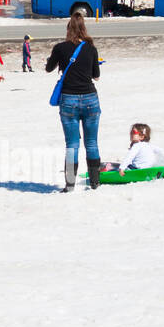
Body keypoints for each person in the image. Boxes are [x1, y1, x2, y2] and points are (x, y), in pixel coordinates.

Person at [46, 11, 103, 192]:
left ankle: (70, 185)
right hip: (90, 99)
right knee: (92, 143)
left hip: (69, 100)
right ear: (84, 28)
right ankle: (95, 182)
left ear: (68, 29)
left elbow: (49, 68)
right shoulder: (91, 48)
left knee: (72, 144)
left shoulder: (60, 48)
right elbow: (96, 76)